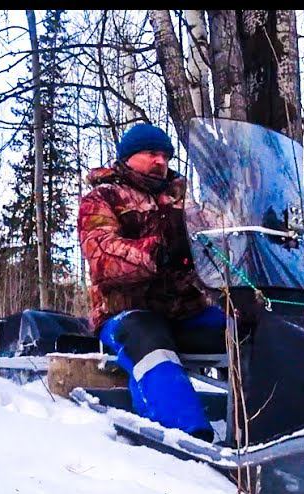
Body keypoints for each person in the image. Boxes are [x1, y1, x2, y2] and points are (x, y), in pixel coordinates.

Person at [77, 122, 226, 442]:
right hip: (127, 313)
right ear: (128, 156)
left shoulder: (183, 203)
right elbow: (102, 255)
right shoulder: (102, 199)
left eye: (166, 156)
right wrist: (158, 252)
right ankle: (185, 435)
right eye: (151, 153)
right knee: (149, 342)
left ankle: (275, 420)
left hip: (186, 311)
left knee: (248, 330)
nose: (161, 161)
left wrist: (256, 225)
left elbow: (219, 232)